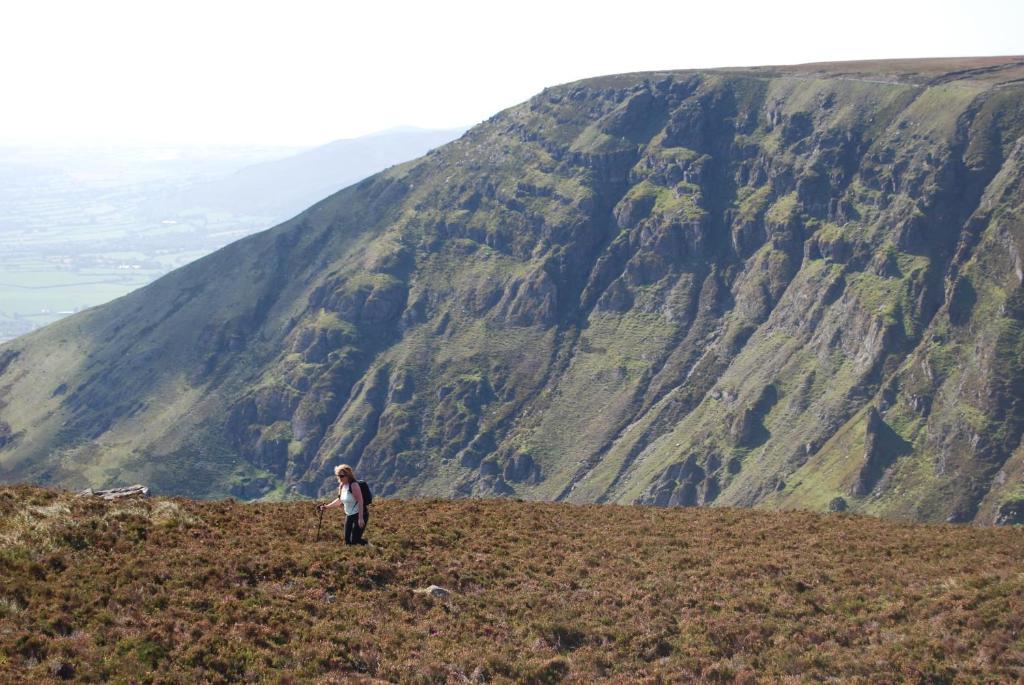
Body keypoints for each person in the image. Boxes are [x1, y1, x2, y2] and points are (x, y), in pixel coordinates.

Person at [318, 464, 368, 545]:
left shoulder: (354, 485)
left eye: (342, 476)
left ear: (348, 475)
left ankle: (371, 547)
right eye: (338, 476)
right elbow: (340, 500)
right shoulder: (342, 486)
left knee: (355, 540)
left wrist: (361, 518)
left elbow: (360, 501)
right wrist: (327, 507)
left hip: (359, 514)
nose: (339, 478)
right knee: (347, 541)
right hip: (349, 515)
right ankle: (353, 555)